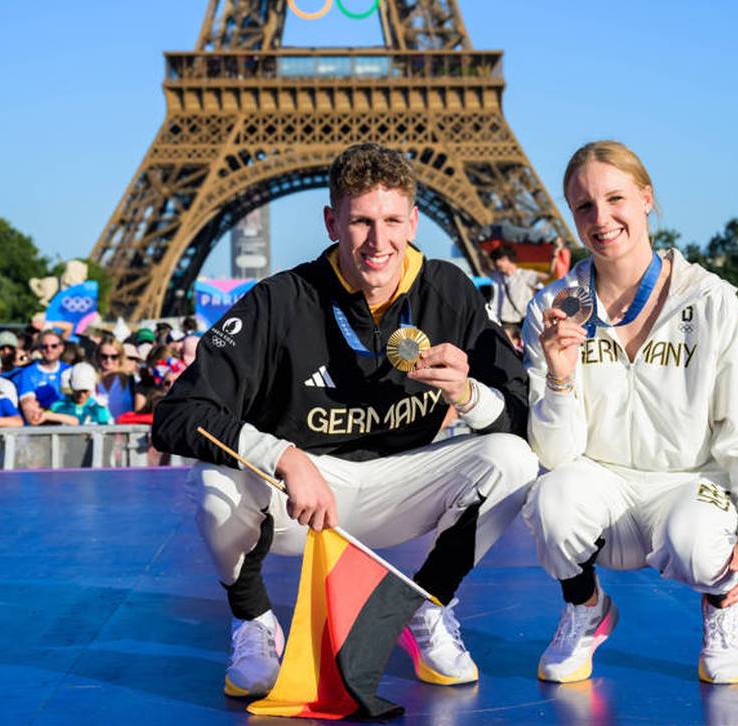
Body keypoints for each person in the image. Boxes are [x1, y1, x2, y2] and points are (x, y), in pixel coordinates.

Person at [152, 143, 537, 697]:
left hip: (401, 487)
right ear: (332, 221)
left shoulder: (448, 290)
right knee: (215, 479)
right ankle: (254, 618)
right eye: (360, 221)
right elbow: (178, 414)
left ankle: (426, 605)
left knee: (513, 459)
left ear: (414, 219)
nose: (378, 242)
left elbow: (522, 417)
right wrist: (283, 456)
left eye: (390, 221)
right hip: (300, 500)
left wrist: (469, 393)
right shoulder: (278, 301)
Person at [520, 140, 738, 686]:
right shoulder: (551, 309)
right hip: (601, 484)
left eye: (615, 198)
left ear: (646, 199)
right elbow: (555, 454)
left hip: (688, 483)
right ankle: (585, 607)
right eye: (584, 206)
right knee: (551, 502)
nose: (601, 218)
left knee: (698, 539)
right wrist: (562, 378)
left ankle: (722, 607)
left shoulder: (709, 299)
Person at [490, 245, 541, 346]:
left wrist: (555, 255)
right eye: (496, 260)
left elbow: (550, 275)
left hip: (524, 319)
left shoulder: (524, 274)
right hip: (505, 320)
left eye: (500, 259)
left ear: (508, 259)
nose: (497, 263)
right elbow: (483, 266)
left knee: (528, 346)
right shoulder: (496, 276)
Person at [16, 330, 71, 409]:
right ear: (39, 349)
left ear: (61, 348)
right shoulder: (28, 373)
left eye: (54, 346)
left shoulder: (69, 370)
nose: (49, 349)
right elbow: (28, 404)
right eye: (45, 346)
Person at [49, 363, 113, 425]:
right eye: (78, 390)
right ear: (70, 384)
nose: (81, 395)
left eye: (85, 391)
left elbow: (107, 432)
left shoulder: (99, 409)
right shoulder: (57, 407)